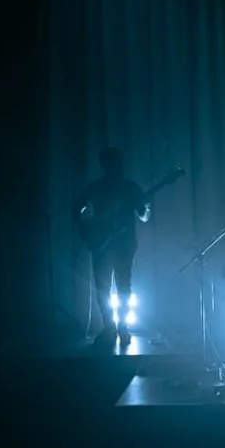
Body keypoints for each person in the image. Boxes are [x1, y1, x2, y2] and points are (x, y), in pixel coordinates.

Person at [73, 147, 150, 346]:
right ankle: (115, 328)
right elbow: (144, 216)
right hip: (110, 243)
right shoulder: (126, 187)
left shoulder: (104, 187)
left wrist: (84, 230)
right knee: (115, 287)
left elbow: (142, 215)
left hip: (114, 244)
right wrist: (85, 230)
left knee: (110, 287)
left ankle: (114, 328)